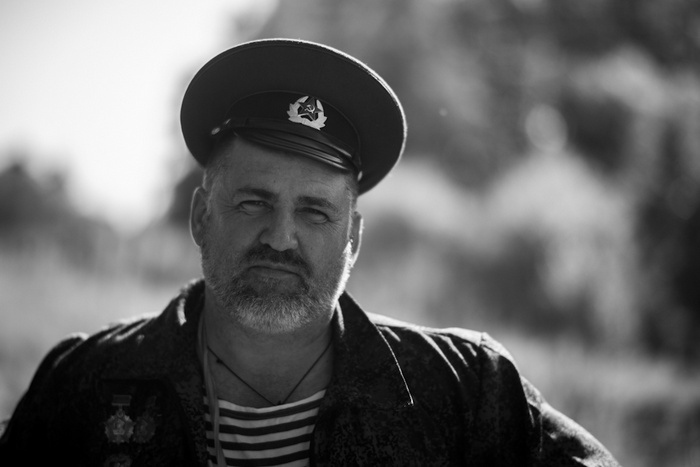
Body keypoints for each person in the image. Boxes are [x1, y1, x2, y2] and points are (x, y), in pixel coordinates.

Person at [0, 38, 620, 466]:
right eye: (253, 203)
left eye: (315, 212)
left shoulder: (467, 393)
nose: (280, 237)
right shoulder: (83, 386)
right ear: (201, 217)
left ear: (353, 239)